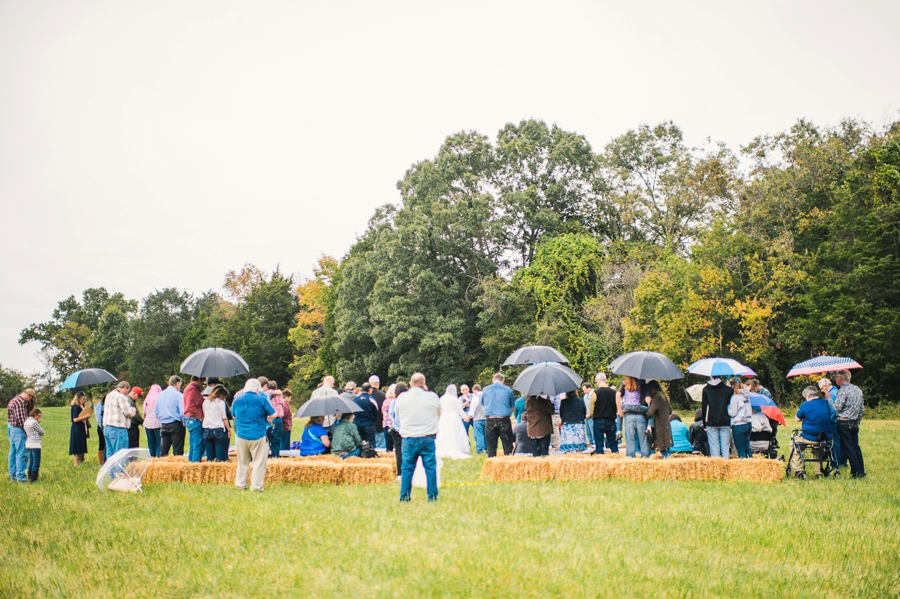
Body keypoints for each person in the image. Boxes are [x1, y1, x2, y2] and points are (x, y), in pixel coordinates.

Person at [393, 373, 441, 502]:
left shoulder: (402, 398)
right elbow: (438, 410)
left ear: (410, 383)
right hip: (427, 437)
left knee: (407, 468)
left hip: (408, 437)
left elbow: (397, 413)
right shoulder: (432, 396)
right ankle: (432, 496)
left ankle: (404, 496)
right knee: (430, 467)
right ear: (424, 383)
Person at [233, 378, 275, 491]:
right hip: (258, 434)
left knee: (242, 462)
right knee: (259, 462)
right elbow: (274, 414)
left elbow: (234, 416)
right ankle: (256, 486)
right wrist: (266, 417)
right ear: (258, 389)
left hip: (241, 434)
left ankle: (240, 484)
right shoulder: (261, 400)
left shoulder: (237, 400)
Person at [789, 385, 837, 478]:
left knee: (794, 445)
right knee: (817, 448)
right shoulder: (826, 403)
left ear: (808, 396)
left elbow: (797, 419)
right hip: (825, 437)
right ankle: (819, 472)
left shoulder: (805, 405)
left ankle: (799, 470)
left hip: (809, 436)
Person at [833, 369, 865, 478]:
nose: (835, 379)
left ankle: (856, 472)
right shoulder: (858, 390)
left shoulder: (842, 391)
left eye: (836, 377)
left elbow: (837, 408)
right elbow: (862, 409)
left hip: (844, 421)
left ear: (841, 378)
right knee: (856, 446)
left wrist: (829, 399)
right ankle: (861, 470)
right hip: (854, 422)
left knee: (848, 448)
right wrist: (857, 421)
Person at [482, 373, 516, 458]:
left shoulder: (485, 389)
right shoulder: (508, 390)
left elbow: (483, 405)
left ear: (493, 380)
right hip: (504, 419)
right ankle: (508, 463)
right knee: (507, 445)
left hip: (490, 419)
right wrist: (507, 414)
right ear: (503, 381)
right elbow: (512, 406)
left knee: (491, 446)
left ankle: (491, 463)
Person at [436, 384, 471, 459]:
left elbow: (440, 408)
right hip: (453, 416)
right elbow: (459, 409)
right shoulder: (454, 399)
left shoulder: (442, 398)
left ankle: (444, 447)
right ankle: (458, 447)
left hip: (444, 417)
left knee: (444, 432)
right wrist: (465, 417)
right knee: (455, 431)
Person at [701, 375, 733, 459]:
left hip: (711, 421)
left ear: (711, 376)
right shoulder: (729, 390)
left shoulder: (706, 389)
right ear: (721, 376)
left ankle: (716, 467)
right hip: (725, 420)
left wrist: (704, 423)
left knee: (714, 447)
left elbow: (704, 407)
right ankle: (726, 466)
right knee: (725, 447)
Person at [7, 388, 34, 482]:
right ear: (28, 395)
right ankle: (21, 477)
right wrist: (29, 432)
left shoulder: (13, 400)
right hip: (19, 430)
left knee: (13, 454)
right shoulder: (20, 402)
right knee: (21, 453)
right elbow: (22, 420)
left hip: (12, 429)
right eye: (31, 398)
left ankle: (13, 475)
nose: (30, 401)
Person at [103, 381, 136, 458]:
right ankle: (118, 470)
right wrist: (133, 410)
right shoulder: (121, 396)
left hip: (107, 427)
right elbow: (128, 412)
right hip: (118, 428)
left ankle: (111, 470)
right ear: (125, 388)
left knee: (110, 453)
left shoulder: (109, 395)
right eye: (127, 392)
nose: (126, 394)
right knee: (120, 454)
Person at [620, 376, 651, 458]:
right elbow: (648, 399)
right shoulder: (644, 385)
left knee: (630, 439)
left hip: (628, 415)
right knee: (643, 439)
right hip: (641, 415)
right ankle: (645, 457)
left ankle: (631, 457)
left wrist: (620, 410)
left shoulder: (625, 383)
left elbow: (618, 395)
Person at [155, 376, 185, 456]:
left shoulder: (160, 395)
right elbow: (182, 412)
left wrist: (161, 420)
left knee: (163, 450)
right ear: (177, 383)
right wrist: (184, 422)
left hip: (164, 424)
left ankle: (162, 466)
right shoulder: (178, 395)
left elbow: (156, 411)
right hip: (176, 423)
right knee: (177, 450)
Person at [590, 374, 618, 453]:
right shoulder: (614, 392)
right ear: (605, 380)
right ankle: (615, 454)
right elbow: (616, 405)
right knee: (612, 441)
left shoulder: (595, 393)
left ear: (597, 381)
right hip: (611, 419)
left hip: (598, 419)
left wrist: (593, 415)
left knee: (599, 442)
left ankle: (600, 455)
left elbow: (592, 408)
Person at [202, 384, 232, 462]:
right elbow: (224, 418)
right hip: (218, 428)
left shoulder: (205, 402)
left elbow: (204, 414)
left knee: (210, 456)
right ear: (221, 395)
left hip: (206, 429)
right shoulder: (220, 402)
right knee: (220, 455)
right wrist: (229, 430)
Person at [645, 381, 673, 457]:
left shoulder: (656, 397)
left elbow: (650, 412)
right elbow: (670, 411)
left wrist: (644, 410)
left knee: (662, 447)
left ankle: (667, 459)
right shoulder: (665, 397)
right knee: (667, 445)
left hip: (659, 426)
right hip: (666, 424)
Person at [818, 377, 842, 466]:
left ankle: (837, 462)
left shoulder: (831, 393)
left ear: (825, 386)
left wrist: (829, 420)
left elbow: (833, 410)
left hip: (833, 422)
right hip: (838, 421)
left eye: (821, 388)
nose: (821, 390)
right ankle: (841, 461)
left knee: (834, 442)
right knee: (839, 441)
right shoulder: (836, 390)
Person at [182, 376, 206, 463]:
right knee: (198, 446)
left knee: (193, 445)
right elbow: (190, 406)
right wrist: (200, 415)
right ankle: (195, 466)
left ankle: (191, 464)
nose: (203, 383)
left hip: (190, 419)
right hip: (195, 419)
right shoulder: (193, 390)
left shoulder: (188, 388)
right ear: (199, 379)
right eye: (203, 381)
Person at [728, 379, 753, 458]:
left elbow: (732, 413)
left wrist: (728, 407)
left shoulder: (735, 397)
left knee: (741, 450)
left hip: (738, 424)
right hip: (748, 423)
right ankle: (751, 462)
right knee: (747, 448)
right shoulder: (747, 396)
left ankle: (744, 464)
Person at [388, 382, 407, 475]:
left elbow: (391, 415)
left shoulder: (393, 402)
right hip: (407, 428)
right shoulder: (408, 401)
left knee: (398, 451)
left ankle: (400, 472)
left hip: (396, 428)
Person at [352, 383, 380, 447]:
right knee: (370, 443)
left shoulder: (356, 399)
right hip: (369, 423)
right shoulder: (372, 399)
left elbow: (353, 411)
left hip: (357, 423)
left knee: (359, 442)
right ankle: (370, 454)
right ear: (369, 389)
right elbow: (376, 411)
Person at [69, 392, 90, 466]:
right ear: (78, 399)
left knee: (81, 444)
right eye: (83, 399)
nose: (84, 400)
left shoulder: (81, 406)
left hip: (81, 427)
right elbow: (75, 419)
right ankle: (76, 463)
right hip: (76, 428)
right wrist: (85, 416)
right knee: (76, 445)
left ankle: (81, 460)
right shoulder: (75, 407)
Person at [142, 384, 163, 457]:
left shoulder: (147, 400)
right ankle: (158, 457)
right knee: (159, 443)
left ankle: (152, 457)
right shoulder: (160, 399)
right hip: (158, 424)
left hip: (148, 424)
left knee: (151, 443)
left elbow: (144, 412)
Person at [24, 409, 44, 483]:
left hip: (28, 443)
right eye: (39, 416)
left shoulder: (26, 422)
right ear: (36, 415)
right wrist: (38, 423)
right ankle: (33, 478)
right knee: (36, 462)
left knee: (31, 461)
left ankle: (29, 475)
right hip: (35, 444)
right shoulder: (34, 422)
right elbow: (42, 432)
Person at [265, 383, 284, 458]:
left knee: (267, 439)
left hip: (268, 418)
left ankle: (266, 456)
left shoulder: (266, 394)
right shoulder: (278, 394)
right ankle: (275, 456)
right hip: (277, 418)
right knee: (276, 439)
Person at [368, 375, 387, 450]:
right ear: (378, 383)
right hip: (379, 424)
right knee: (381, 449)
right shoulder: (382, 395)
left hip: (367, 426)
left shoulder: (364, 395)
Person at [468, 384, 486, 454]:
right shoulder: (485, 397)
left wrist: (469, 417)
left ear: (475, 390)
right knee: (486, 434)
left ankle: (480, 450)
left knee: (479, 435)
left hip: (478, 418)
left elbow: (472, 409)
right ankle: (487, 449)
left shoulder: (475, 398)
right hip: (486, 418)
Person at [382, 384, 396, 454]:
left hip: (386, 424)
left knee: (389, 446)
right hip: (394, 425)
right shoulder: (396, 401)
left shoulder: (385, 401)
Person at [581, 382, 595, 449]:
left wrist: (589, 414)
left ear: (589, 388)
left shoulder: (593, 394)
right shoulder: (585, 396)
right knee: (588, 432)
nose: (584, 392)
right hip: (586, 417)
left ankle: (595, 444)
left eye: (585, 390)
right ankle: (591, 444)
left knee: (593, 431)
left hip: (592, 417)